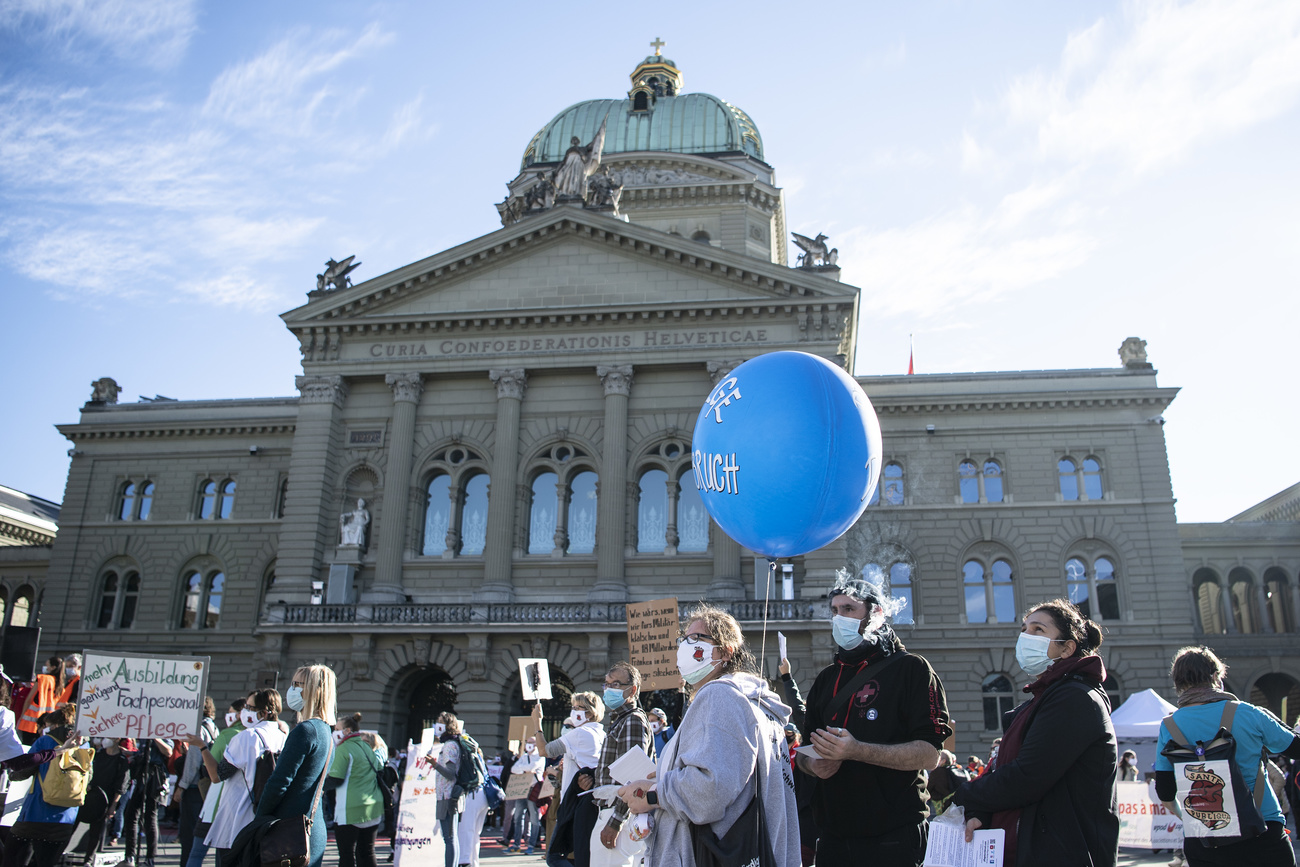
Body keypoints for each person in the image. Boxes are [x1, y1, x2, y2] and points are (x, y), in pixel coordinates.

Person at [617, 603, 799, 866]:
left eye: (696, 638)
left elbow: (710, 791)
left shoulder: (720, 695)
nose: (684, 646)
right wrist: (667, 775)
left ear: (725, 652)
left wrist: (652, 795)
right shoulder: (757, 705)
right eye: (683, 639)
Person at [796, 571, 952, 867]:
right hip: (833, 838)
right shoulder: (826, 679)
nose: (839, 617)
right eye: (835, 610)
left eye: (849, 609)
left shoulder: (912, 669)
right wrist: (814, 764)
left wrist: (857, 751)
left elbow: (930, 755)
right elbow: (804, 753)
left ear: (876, 614)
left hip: (893, 836)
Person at [952, 599, 1119, 867]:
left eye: (1038, 630)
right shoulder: (1044, 699)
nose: (1025, 636)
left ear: (1067, 649)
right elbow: (1007, 770)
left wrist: (963, 792)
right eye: (1024, 629)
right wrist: (980, 810)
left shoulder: (1075, 699)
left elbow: (1027, 776)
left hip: (1063, 854)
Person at [1154, 646, 1300, 867]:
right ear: (1215, 677)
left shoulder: (1169, 725)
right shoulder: (1247, 713)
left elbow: (1165, 793)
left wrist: (1189, 818)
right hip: (1262, 828)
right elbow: (1295, 748)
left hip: (1205, 837)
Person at [190, 689, 288, 865]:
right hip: (268, 818)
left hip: (238, 819)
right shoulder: (283, 737)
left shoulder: (247, 737)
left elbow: (218, 775)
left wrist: (202, 747)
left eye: (250, 707)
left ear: (263, 713)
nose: (244, 712)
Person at [254, 666, 337, 867]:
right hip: (309, 826)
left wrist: (259, 818)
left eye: (297, 685)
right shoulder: (325, 731)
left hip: (289, 829)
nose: (291, 690)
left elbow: (279, 781)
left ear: (313, 690)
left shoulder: (306, 730)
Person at [530, 689, 607, 867]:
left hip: (576, 801)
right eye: (573, 707)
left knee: (555, 856)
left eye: (579, 707)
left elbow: (544, 750)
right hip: (592, 799)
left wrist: (537, 722)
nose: (574, 711)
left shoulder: (580, 733)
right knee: (578, 854)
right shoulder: (601, 733)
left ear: (590, 711)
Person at [589, 662, 654, 867]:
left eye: (616, 684)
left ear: (632, 690)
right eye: (607, 684)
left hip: (619, 813)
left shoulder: (632, 720)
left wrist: (615, 822)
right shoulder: (621, 720)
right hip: (616, 811)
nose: (609, 689)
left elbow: (633, 778)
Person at [5, 705, 87, 867]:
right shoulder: (83, 746)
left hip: (36, 815)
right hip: (66, 818)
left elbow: (22, 771)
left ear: (56, 725)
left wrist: (11, 773)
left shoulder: (45, 741)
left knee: (12, 856)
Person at [185, 698, 248, 867]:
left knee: (197, 853)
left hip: (216, 803)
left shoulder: (228, 735)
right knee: (226, 855)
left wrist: (202, 747)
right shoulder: (255, 734)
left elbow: (212, 771)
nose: (228, 716)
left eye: (231, 712)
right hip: (241, 804)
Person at [327, 712, 383, 867]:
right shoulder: (366, 746)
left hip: (349, 808)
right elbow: (379, 768)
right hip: (372, 805)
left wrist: (318, 786)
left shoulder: (344, 748)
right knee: (367, 852)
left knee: (346, 854)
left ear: (347, 731)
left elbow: (336, 779)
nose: (334, 732)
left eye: (337, 728)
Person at [778, 657, 817, 866]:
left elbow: (798, 708)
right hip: (801, 811)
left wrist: (786, 677)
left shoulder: (817, 733)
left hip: (811, 814)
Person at [176, 697, 219, 867]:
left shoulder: (198, 729)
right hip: (206, 788)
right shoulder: (212, 727)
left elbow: (193, 761)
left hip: (195, 787)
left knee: (189, 836)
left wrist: (182, 785)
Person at [77, 737, 132, 866]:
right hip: (88, 795)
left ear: (117, 739)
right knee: (72, 825)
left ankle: (88, 860)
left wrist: (113, 805)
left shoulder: (121, 760)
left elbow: (121, 786)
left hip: (104, 800)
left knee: (96, 832)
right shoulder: (97, 754)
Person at [121, 731, 174, 867]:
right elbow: (143, 753)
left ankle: (150, 858)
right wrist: (131, 754)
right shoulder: (144, 733)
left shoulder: (164, 731)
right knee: (131, 814)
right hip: (141, 773)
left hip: (155, 776)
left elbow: (168, 751)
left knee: (150, 816)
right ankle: (130, 856)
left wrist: (155, 737)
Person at [427, 712, 465, 867]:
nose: (437, 725)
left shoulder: (449, 745)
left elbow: (450, 773)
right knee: (452, 837)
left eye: (440, 722)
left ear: (448, 725)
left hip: (447, 795)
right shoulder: (455, 743)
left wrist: (435, 764)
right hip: (453, 795)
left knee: (449, 838)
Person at [506, 736, 545, 853]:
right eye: (528, 742)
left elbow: (533, 767)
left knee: (534, 818)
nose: (529, 744)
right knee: (517, 817)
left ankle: (531, 845)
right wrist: (525, 770)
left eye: (532, 742)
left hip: (533, 790)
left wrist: (523, 769)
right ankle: (517, 844)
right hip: (522, 789)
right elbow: (513, 769)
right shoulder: (524, 756)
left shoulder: (540, 756)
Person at [17, 658, 65, 744]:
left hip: (31, 722)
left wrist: (21, 716)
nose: (45, 667)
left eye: (47, 665)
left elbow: (29, 699)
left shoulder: (42, 679)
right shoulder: (60, 685)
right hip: (48, 723)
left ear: (53, 667)